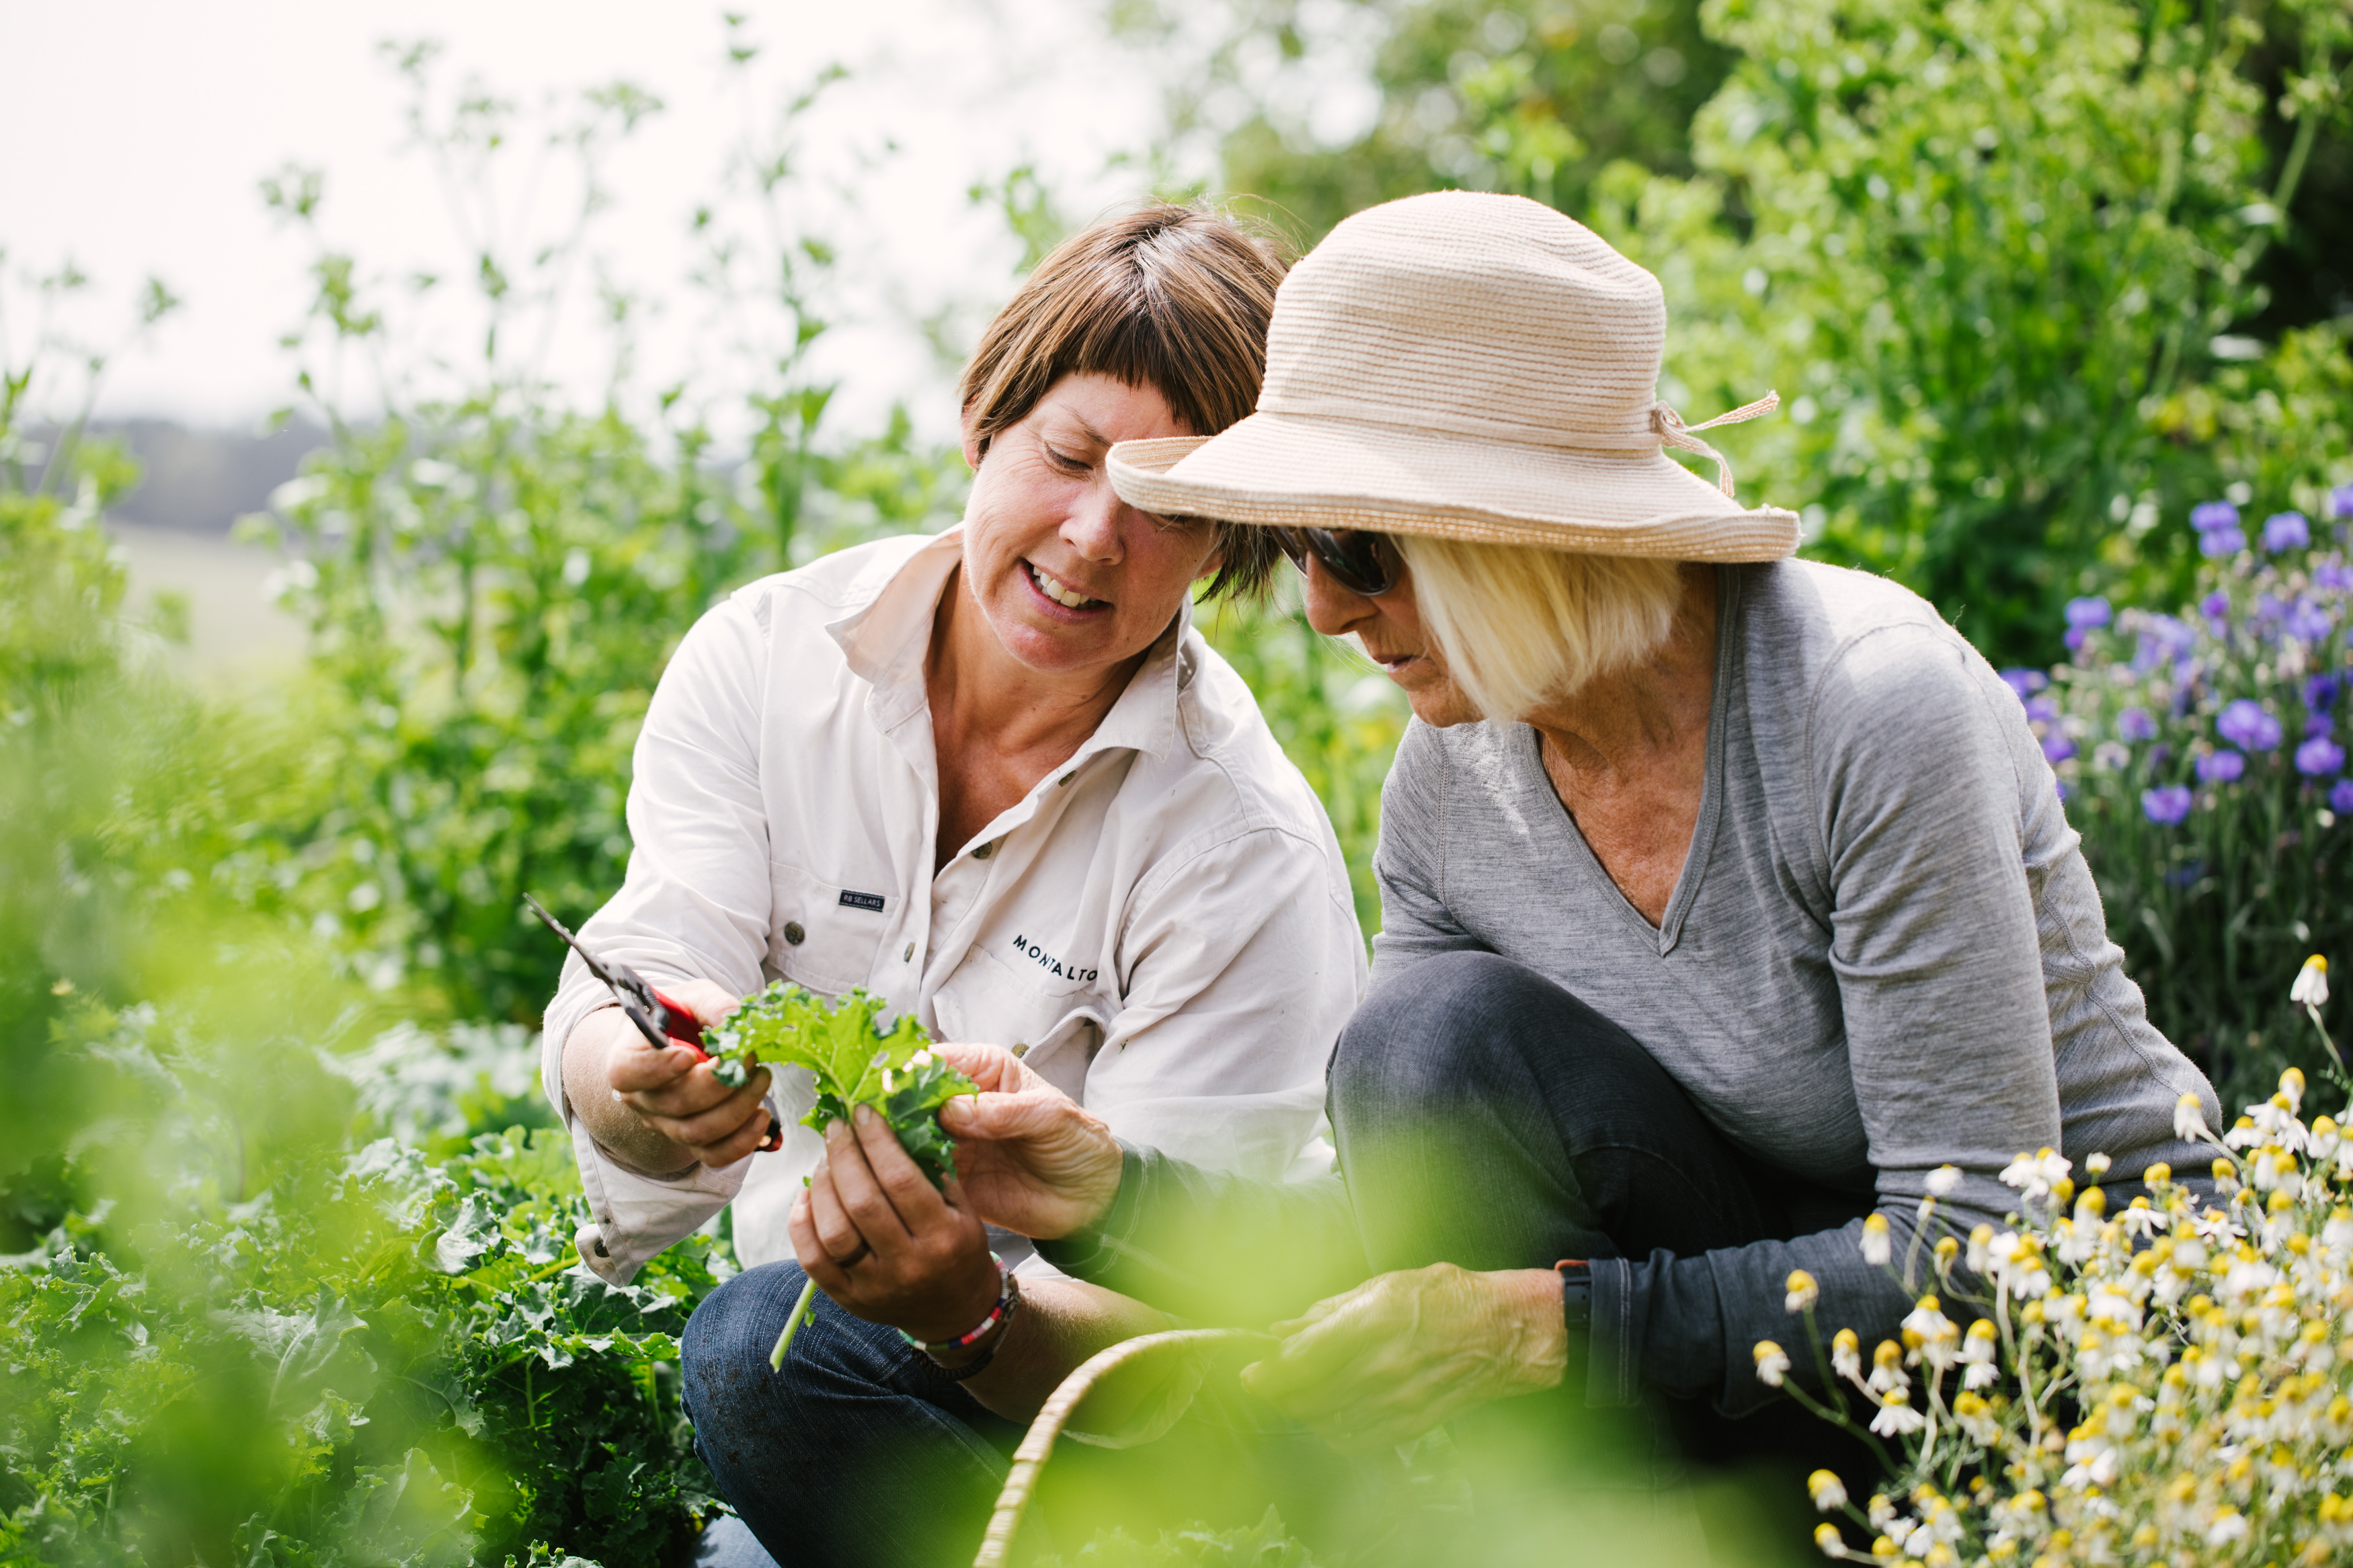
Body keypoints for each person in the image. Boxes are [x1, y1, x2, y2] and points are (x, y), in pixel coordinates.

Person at [898, 190, 2222, 1541]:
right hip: (1774, 1391)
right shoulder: (1451, 789)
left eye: (1360, 551)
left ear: (1519, 531)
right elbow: (1388, 1218)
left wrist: (1557, 1330)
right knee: (1423, 1047)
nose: (1322, 607)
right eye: (1302, 545)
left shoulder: (1864, 710)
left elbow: (1987, 1255)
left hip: (2070, 1386)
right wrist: (1110, 1195)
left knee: (1436, 1038)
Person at [540, 204, 1367, 1565]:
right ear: (983, 422)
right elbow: (639, 979)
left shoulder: (1239, 850)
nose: (1099, 535)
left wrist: (967, 1310)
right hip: (835, 1421)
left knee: (760, 1352)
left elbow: (1208, 1347)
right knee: (762, 1368)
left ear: (1227, 543)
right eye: (1070, 455)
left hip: (1102, 1449)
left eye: (1170, 502)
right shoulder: (766, 662)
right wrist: (629, 1084)